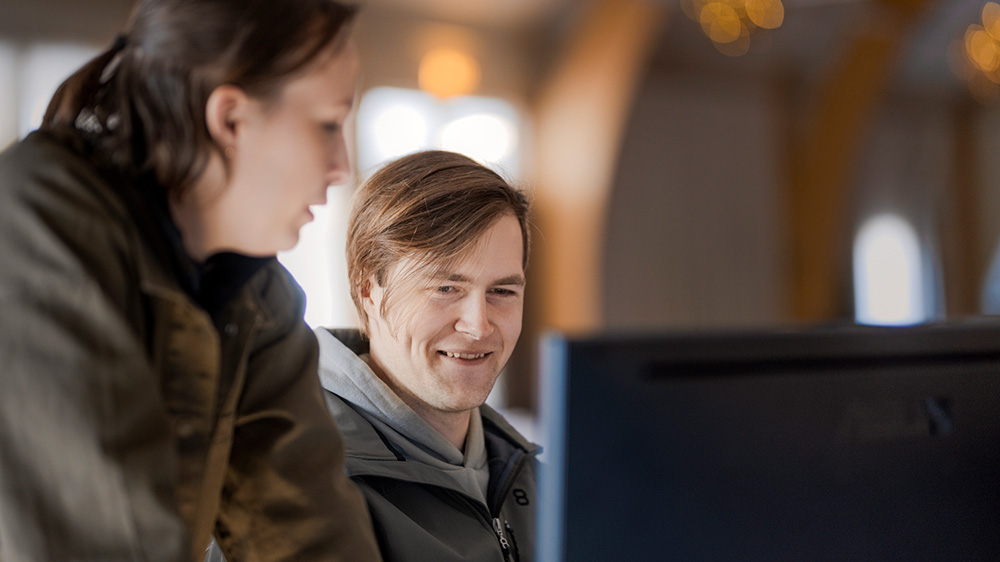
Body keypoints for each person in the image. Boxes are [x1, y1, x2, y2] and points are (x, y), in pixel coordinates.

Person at [0, 1, 382, 561]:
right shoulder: (37, 227)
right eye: (328, 123)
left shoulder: (255, 293)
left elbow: (312, 534)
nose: (343, 166)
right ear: (230, 118)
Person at [318, 150, 540, 561]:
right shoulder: (297, 487)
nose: (479, 325)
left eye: (502, 291)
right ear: (369, 291)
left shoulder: (533, 476)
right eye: (445, 288)